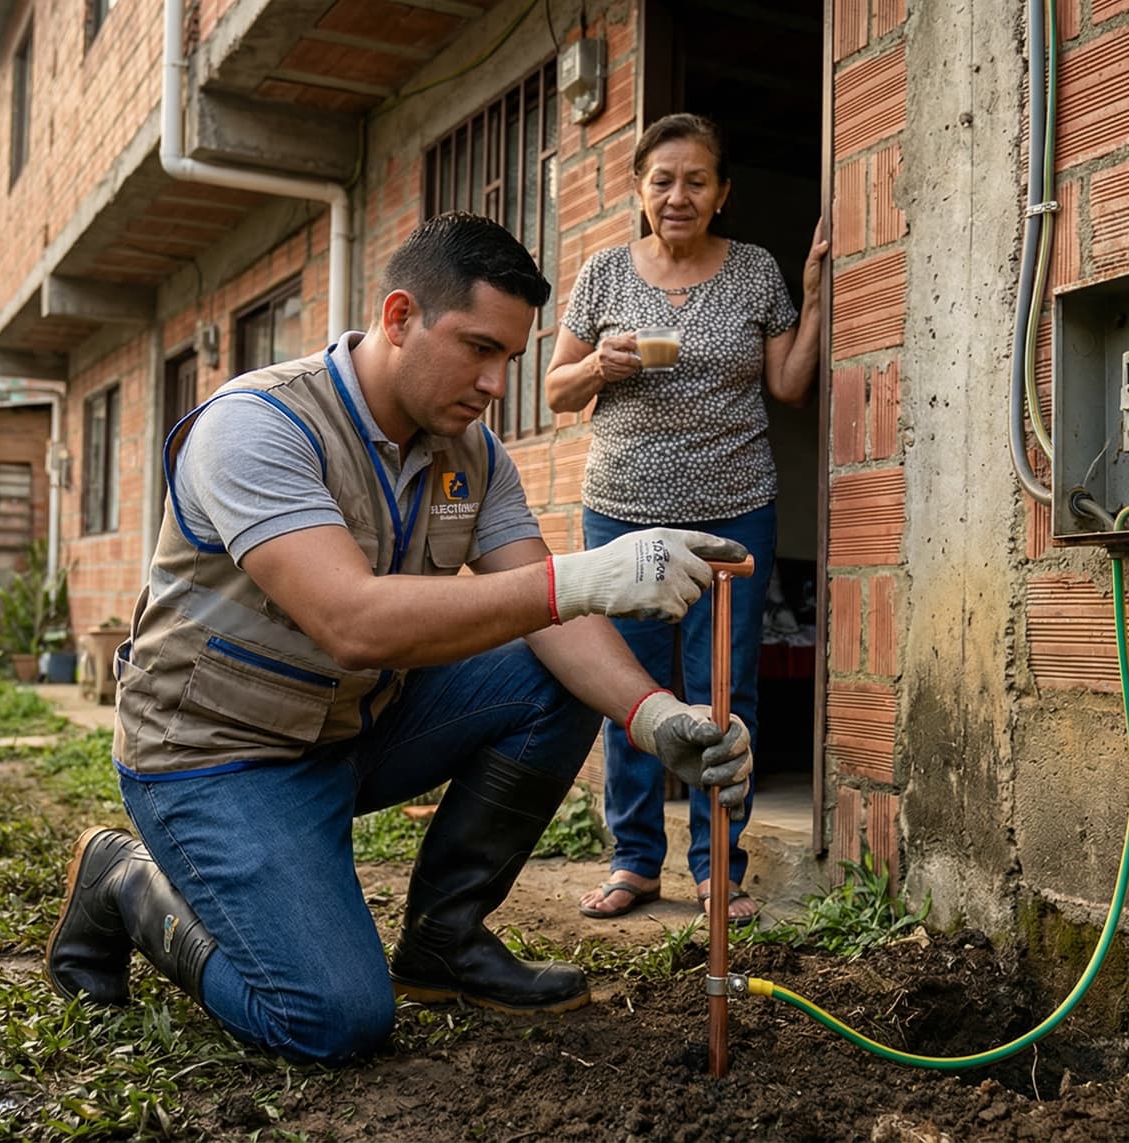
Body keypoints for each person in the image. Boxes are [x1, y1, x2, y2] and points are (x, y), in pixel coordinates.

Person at [45, 213, 755, 1064]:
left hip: (351, 728)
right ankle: (125, 881)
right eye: (477, 348)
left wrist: (655, 715)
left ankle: (445, 943)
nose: (495, 382)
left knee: (550, 660)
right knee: (330, 1018)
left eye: (510, 359)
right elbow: (352, 621)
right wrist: (587, 575)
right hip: (216, 754)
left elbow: (546, 612)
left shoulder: (473, 454)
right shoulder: (258, 425)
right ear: (397, 317)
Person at [545, 114, 826, 927]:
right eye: (662, 180)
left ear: (722, 193)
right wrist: (601, 362)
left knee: (722, 686)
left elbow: (790, 386)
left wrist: (813, 297)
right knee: (631, 687)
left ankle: (717, 869)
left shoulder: (754, 272)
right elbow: (554, 390)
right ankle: (634, 859)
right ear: (639, 189)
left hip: (736, 507)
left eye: (696, 180)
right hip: (622, 513)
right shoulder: (602, 274)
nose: (678, 196)